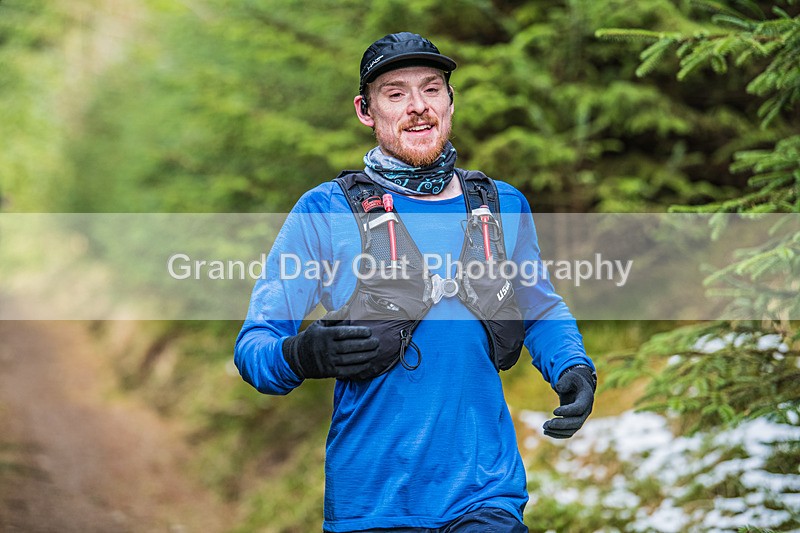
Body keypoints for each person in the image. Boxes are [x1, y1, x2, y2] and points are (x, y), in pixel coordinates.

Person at [235, 32, 597, 532]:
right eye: (396, 94)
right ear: (366, 110)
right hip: (371, 502)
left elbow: (540, 308)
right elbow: (255, 346)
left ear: (450, 101)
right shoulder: (324, 211)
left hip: (485, 493)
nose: (418, 108)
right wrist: (302, 354)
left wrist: (574, 367)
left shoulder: (500, 204)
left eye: (431, 89)